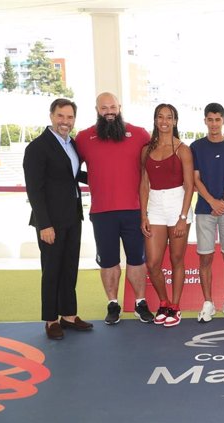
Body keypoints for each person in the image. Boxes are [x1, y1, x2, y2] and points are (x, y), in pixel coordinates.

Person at [75, 92, 154, 325]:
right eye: (103, 108)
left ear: (119, 107)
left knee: (137, 260)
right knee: (108, 261)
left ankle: (140, 303)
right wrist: (95, 179)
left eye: (112, 107)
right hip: (102, 213)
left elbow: (151, 169)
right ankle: (113, 304)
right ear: (97, 110)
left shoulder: (139, 134)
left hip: (133, 211)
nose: (109, 111)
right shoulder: (83, 137)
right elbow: (69, 167)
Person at [23, 98, 93, 339]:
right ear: (51, 116)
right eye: (61, 116)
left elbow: (71, 175)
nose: (65, 121)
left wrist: (104, 176)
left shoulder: (71, 144)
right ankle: (51, 319)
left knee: (70, 266)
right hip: (50, 220)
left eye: (70, 117)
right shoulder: (37, 147)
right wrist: (45, 224)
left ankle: (69, 315)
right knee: (52, 269)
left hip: (73, 215)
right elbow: (34, 189)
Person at [140, 104, 194, 328]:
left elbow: (190, 185)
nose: (164, 121)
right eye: (160, 117)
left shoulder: (183, 149)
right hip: (155, 206)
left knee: (176, 260)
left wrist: (182, 217)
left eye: (169, 117)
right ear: (155, 120)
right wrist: (144, 215)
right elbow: (144, 184)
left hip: (177, 204)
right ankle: (163, 302)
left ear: (175, 121)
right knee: (152, 263)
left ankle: (175, 306)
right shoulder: (146, 150)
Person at [191, 102, 224, 322]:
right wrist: (212, 201)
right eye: (210, 119)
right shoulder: (196, 147)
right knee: (205, 258)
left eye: (218, 119)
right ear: (205, 121)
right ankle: (208, 303)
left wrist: (222, 200)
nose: (214, 123)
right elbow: (195, 179)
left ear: (223, 121)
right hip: (204, 209)